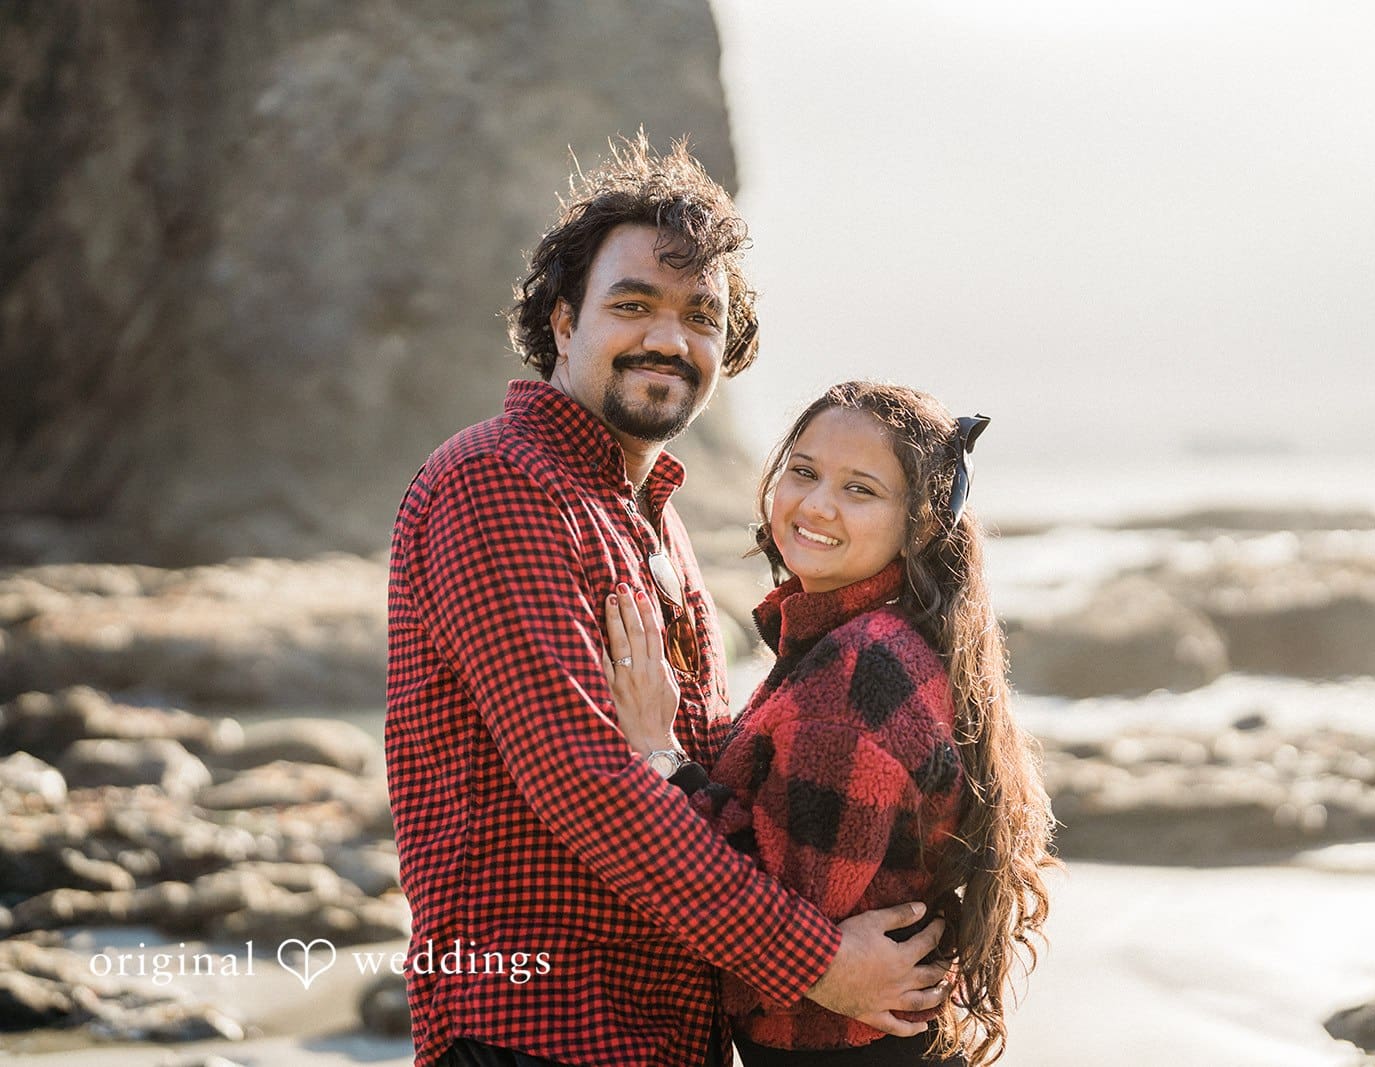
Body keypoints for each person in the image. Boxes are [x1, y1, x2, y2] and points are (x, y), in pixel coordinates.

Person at [385, 137, 949, 1067]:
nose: (669, 338)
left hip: (662, 1036)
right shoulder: (499, 483)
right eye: (633, 304)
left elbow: (708, 792)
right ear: (564, 324)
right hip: (539, 1029)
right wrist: (823, 966)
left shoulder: (654, 519)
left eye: (702, 315)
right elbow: (584, 783)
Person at [604, 381, 1061, 1067]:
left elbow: (783, 920)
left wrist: (661, 755)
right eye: (805, 471)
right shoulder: (886, 635)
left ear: (920, 522)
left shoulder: (856, 672)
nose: (816, 504)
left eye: (860, 489)